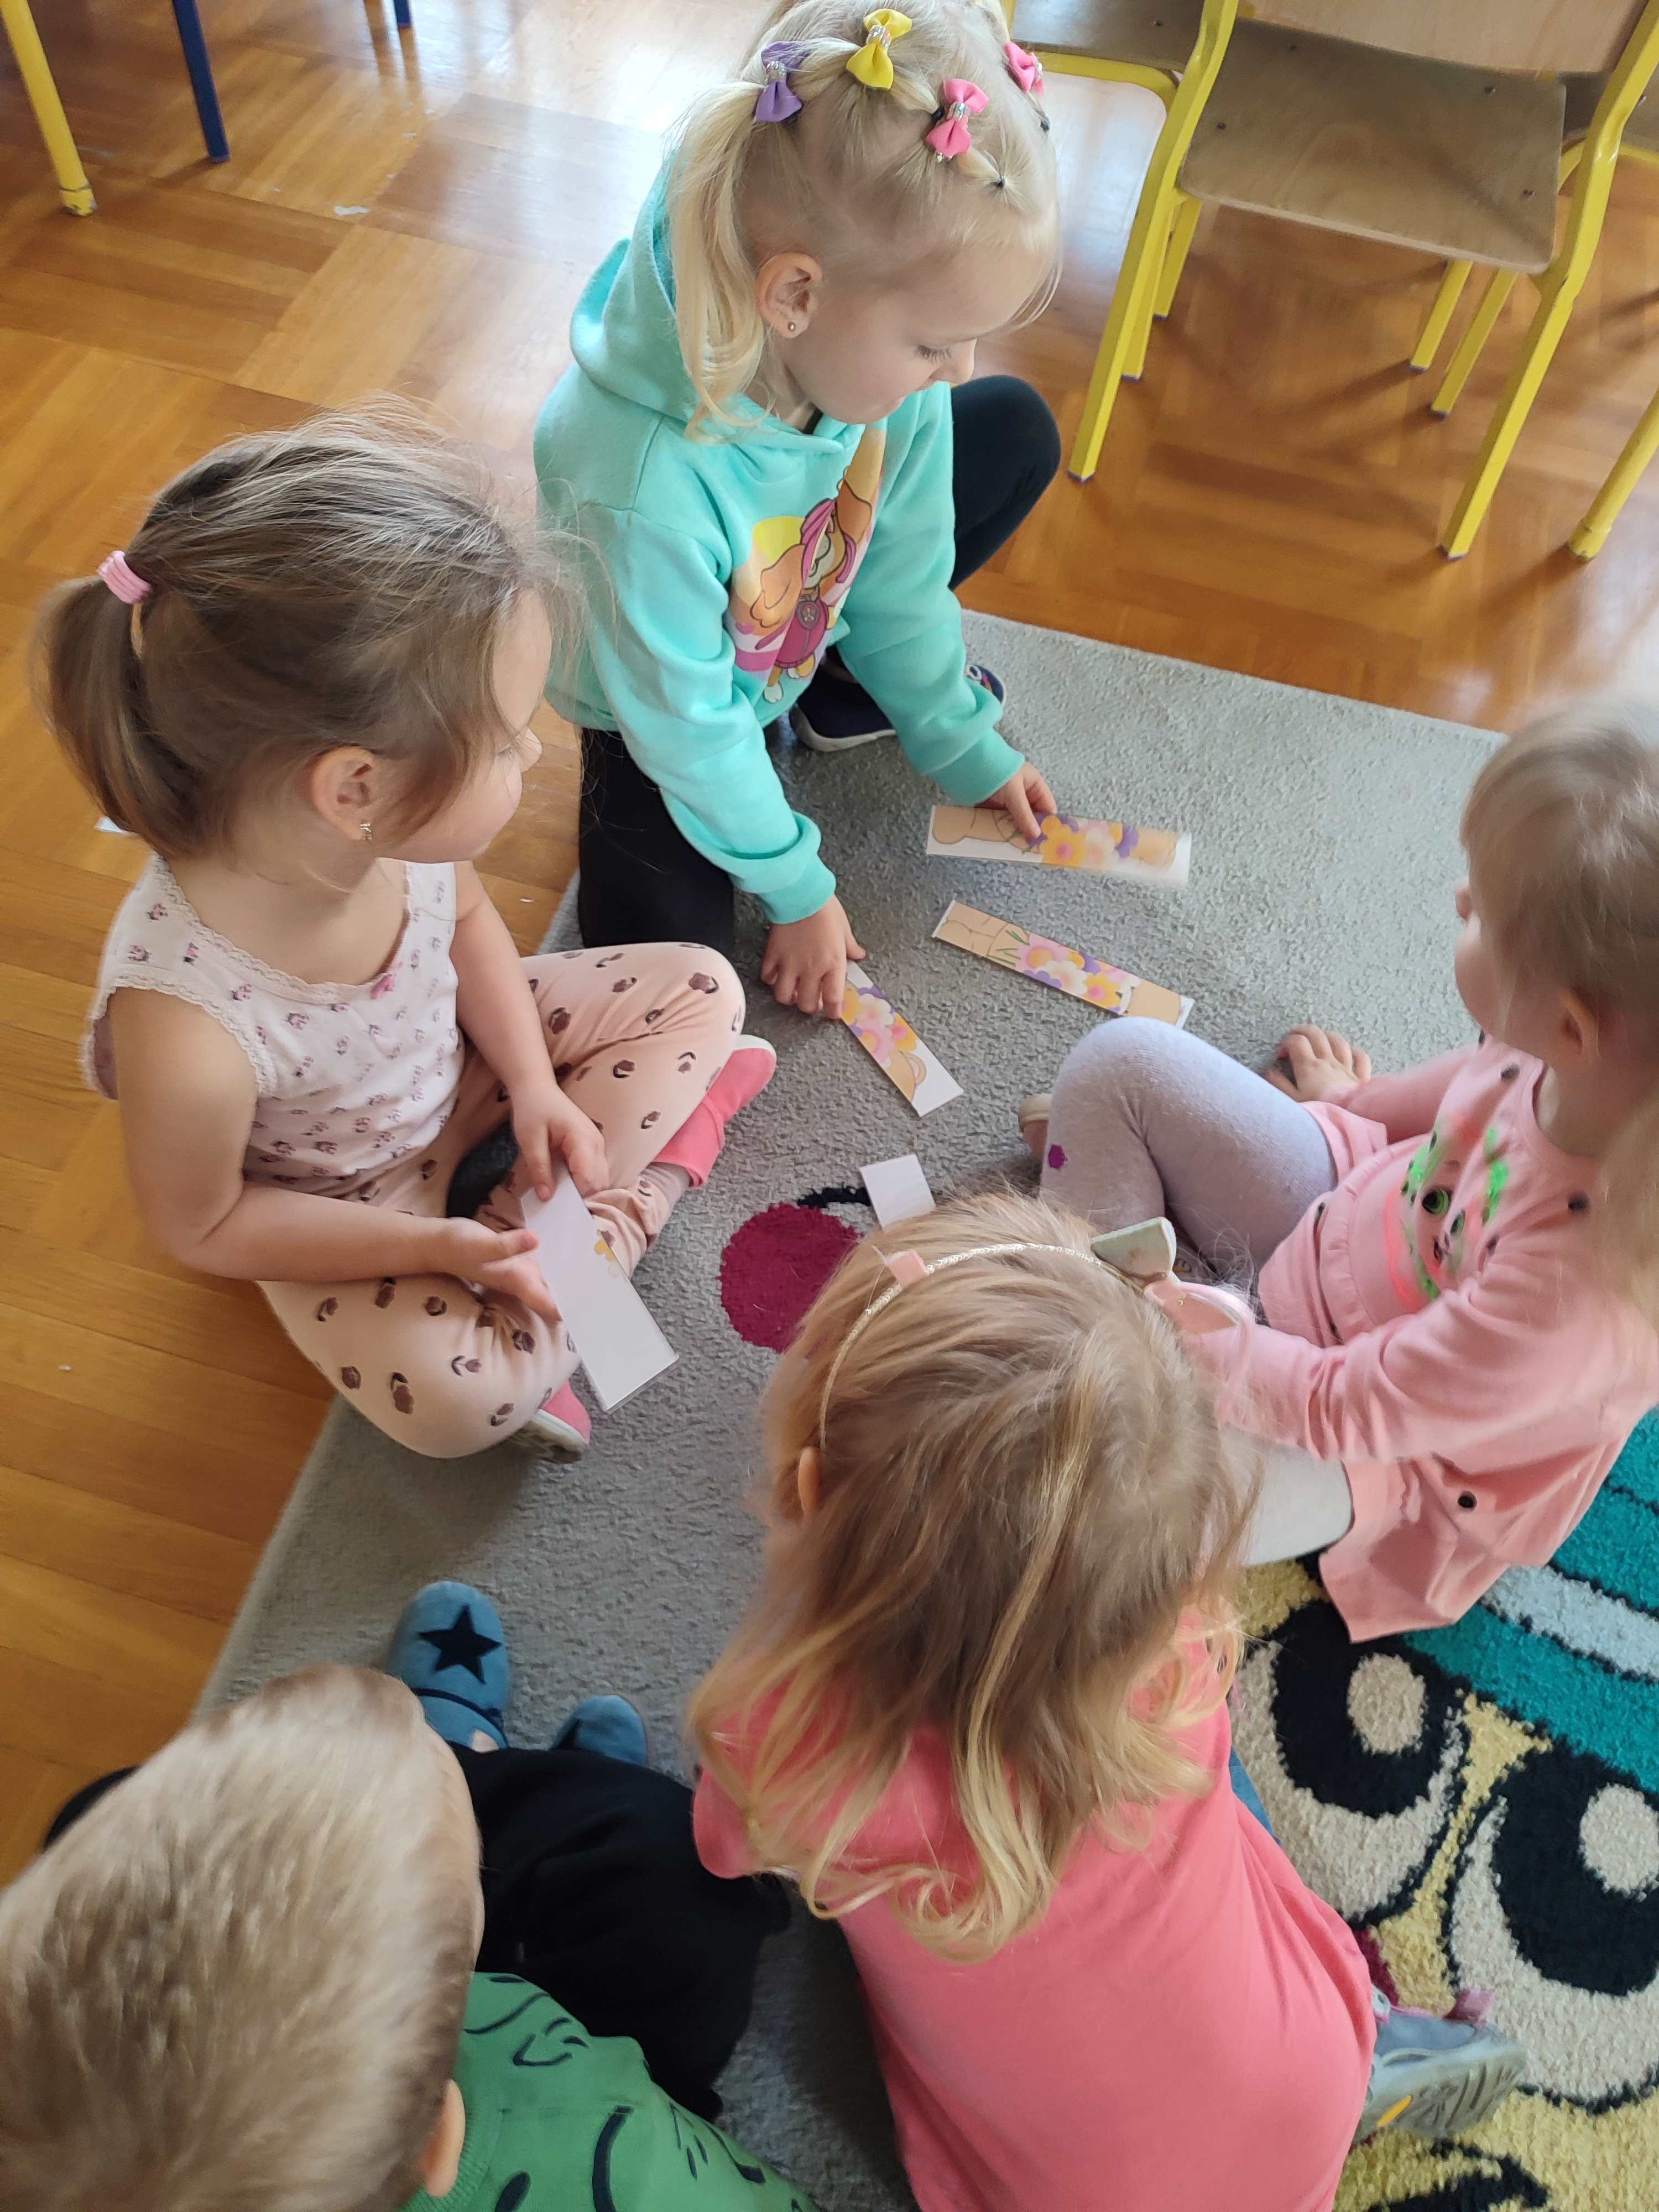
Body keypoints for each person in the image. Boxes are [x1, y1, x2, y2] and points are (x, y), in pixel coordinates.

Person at [688, 1191, 1525, 2212]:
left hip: (1073, 2197)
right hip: (1303, 2087)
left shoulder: (785, 1743)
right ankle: (1375, 2055)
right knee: (1200, 1809)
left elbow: (723, 1847)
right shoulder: (1183, 1657)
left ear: (813, 1493)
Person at [36, 411, 773, 1460]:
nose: (533, 753)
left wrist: (535, 1085)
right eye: (507, 740)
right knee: (461, 1404)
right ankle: (647, 1191)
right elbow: (204, 1226)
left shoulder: (385, 838)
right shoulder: (187, 1030)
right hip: (342, 1196)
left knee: (703, 987)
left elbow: (467, 925)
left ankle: (546, 1264)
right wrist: (440, 1250)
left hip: (462, 1065)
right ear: (356, 789)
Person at [1028, 699, 1659, 1639]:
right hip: (1349, 1213)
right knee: (1124, 1062)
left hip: (1381, 1454)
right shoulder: (1567, 1052)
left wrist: (1185, 1339)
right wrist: (1343, 1105)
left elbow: (1347, 1407)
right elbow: (1446, 1095)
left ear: (1570, 1025)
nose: (1460, 900)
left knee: (1101, 1520)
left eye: (1481, 914)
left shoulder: (1578, 1300)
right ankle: (1095, 1317)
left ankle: (1097, 1322)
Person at [535, 0, 1064, 1015]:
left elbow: (903, 577)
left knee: (1014, 427)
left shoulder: (880, 363)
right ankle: (791, 711)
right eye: (933, 343)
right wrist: (796, 883)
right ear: (793, 298)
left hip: (789, 624)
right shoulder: (634, 482)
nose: (958, 368)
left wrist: (957, 735)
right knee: (668, 976)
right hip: (653, 720)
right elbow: (688, 731)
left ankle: (832, 692)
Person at [0, 1652, 811, 2212]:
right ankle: (485, 1774)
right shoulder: (609, 2145)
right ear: (440, 2141)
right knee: (670, 1870)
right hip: (587, 2077)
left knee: (97, 1812)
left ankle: (459, 1786)